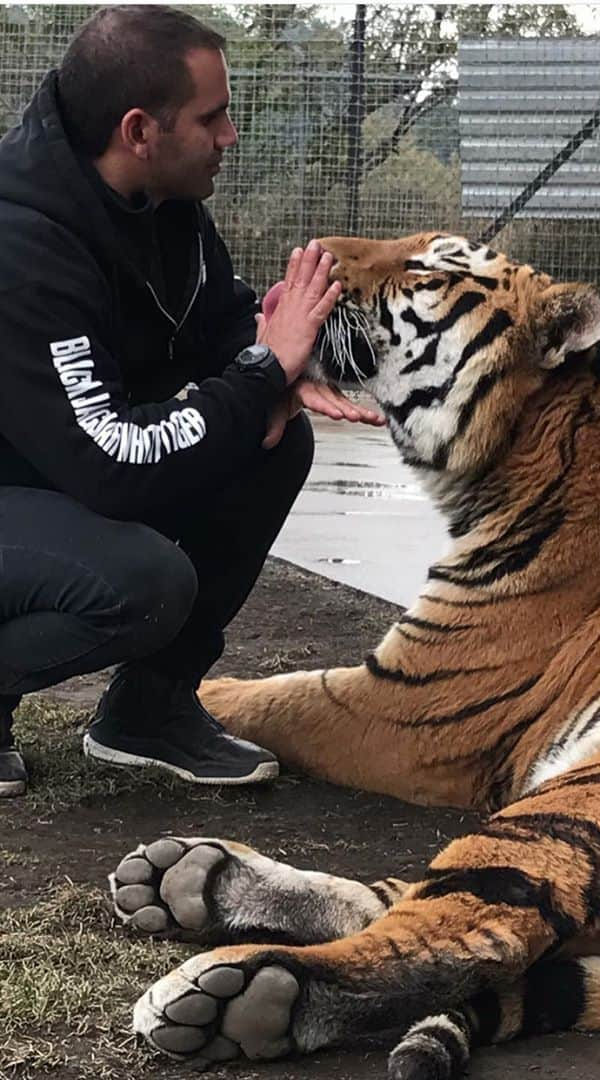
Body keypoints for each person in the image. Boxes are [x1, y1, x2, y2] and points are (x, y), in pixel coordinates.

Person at [0, 6, 383, 798]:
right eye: (213, 117)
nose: (231, 135)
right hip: (37, 484)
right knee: (141, 583)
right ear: (141, 130)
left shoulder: (165, 205)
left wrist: (279, 358)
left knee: (274, 444)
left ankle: (149, 712)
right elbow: (113, 461)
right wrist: (256, 375)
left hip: (43, 476)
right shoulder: (21, 245)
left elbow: (216, 326)